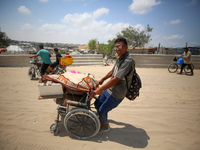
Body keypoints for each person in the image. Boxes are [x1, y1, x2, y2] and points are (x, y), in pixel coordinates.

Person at [93, 37, 135, 133]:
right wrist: (102, 79)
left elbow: (116, 79)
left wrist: (100, 89)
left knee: (103, 110)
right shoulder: (120, 58)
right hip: (109, 89)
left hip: (117, 93)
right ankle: (101, 119)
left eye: (120, 46)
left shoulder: (128, 61)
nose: (117, 49)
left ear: (126, 47)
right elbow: (113, 71)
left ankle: (104, 127)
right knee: (97, 104)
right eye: (116, 47)